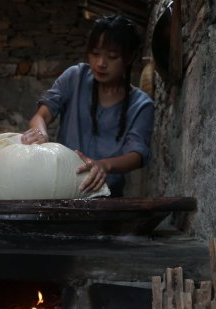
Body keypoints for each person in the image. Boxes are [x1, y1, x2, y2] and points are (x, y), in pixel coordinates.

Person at [21, 15, 154, 197]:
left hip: (107, 198)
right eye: (95, 53)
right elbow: (41, 115)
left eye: (112, 56)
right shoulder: (75, 77)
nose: (100, 63)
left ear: (129, 57)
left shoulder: (141, 105)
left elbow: (137, 155)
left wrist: (104, 165)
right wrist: (40, 134)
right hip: (61, 191)